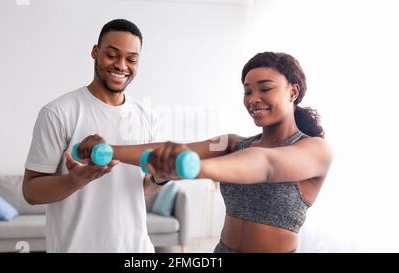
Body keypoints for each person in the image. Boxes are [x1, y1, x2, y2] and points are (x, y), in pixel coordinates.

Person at [75, 52, 333, 253]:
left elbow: (267, 165)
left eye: (265, 88)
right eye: (247, 91)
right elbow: (177, 148)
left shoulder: (314, 150)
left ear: (293, 91)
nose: (253, 98)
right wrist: (108, 150)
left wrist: (194, 168)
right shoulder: (231, 144)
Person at [23, 19, 167, 253]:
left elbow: (141, 188)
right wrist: (74, 181)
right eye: (112, 55)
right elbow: (30, 192)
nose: (121, 65)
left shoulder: (148, 117)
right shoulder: (58, 112)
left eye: (131, 58)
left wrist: (161, 179)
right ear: (95, 52)